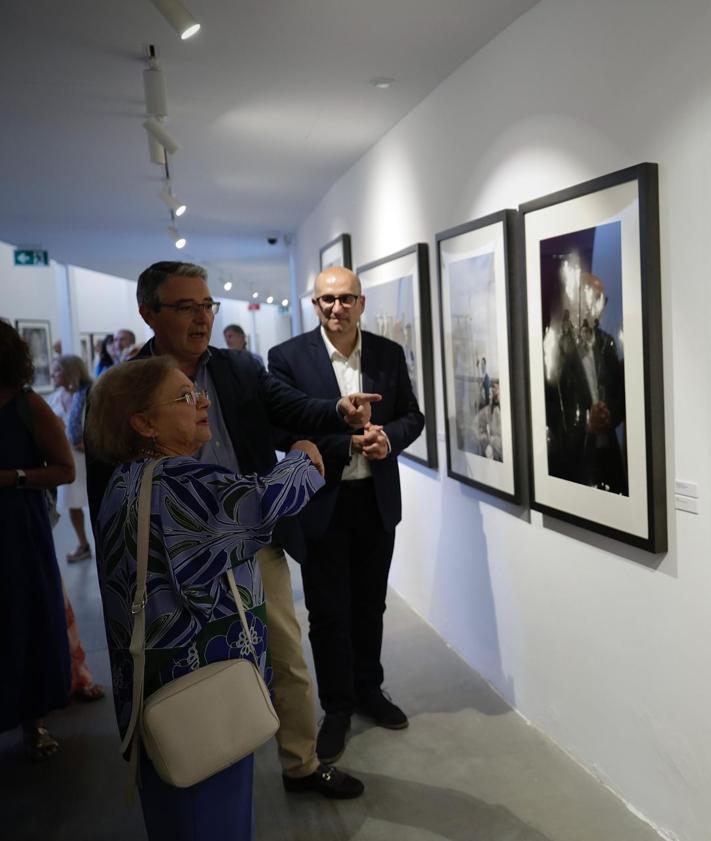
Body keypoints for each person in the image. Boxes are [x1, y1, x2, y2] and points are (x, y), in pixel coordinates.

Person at [85, 260, 378, 799]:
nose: (201, 318)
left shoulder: (238, 368)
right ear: (148, 313)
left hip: (252, 541)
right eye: (185, 307)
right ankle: (195, 760)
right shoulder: (125, 386)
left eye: (207, 305)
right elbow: (106, 481)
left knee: (284, 656)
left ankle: (299, 764)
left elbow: (287, 409)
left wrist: (336, 411)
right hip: (170, 559)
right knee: (187, 669)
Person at [86, 355, 326, 841]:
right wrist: (303, 452)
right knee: (210, 817)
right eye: (184, 397)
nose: (203, 402)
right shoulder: (177, 484)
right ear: (144, 423)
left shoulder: (129, 480)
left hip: (163, 692)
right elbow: (266, 501)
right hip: (201, 695)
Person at [268, 266, 425, 764]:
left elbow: (412, 416)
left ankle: (368, 690)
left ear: (361, 303)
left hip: (374, 500)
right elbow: (280, 430)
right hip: (322, 503)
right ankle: (336, 707)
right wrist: (347, 442)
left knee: (370, 605)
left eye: (346, 299)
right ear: (314, 305)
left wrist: (388, 438)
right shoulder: (288, 358)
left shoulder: (387, 354)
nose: (336, 309)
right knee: (328, 612)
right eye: (326, 300)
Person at [0, 321, 74, 760]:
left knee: (24, 618)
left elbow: (65, 470)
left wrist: (13, 477)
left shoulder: (28, 406)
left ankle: (33, 717)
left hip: (16, 530)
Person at [48, 354, 93, 561]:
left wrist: (90, 440)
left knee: (97, 502)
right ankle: (83, 544)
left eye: (57, 370)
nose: (53, 374)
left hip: (90, 457)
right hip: (68, 458)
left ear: (70, 372)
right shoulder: (56, 397)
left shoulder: (90, 394)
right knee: (74, 504)